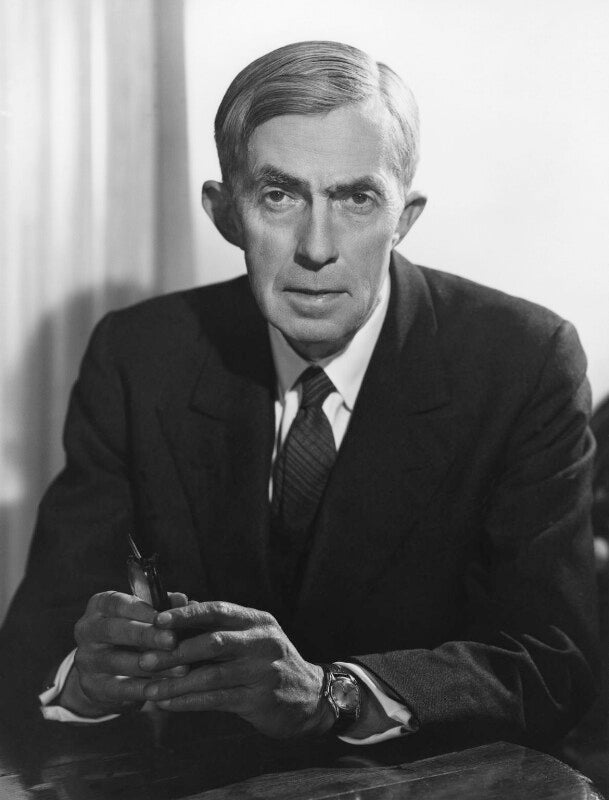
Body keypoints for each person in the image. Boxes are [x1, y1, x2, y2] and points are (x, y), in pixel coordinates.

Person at [0, 41, 599, 749]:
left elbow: (550, 662)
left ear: (404, 218)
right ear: (226, 214)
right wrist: (86, 678)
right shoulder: (141, 356)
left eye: (356, 198)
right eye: (278, 196)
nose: (317, 247)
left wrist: (332, 696)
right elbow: (38, 641)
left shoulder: (523, 361)